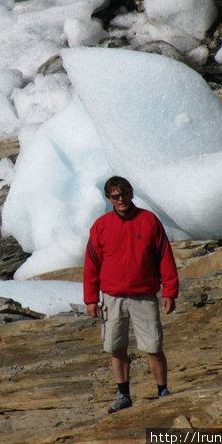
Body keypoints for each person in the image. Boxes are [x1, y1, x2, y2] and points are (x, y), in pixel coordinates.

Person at [84, 176, 179, 414]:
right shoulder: (101, 226)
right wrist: (91, 299)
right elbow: (92, 264)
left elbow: (164, 256)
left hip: (144, 295)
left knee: (154, 346)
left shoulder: (148, 221)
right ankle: (124, 395)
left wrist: (170, 291)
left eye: (124, 194)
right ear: (109, 199)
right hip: (112, 297)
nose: (121, 199)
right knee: (117, 347)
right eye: (115, 196)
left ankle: (162, 392)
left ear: (131, 194)